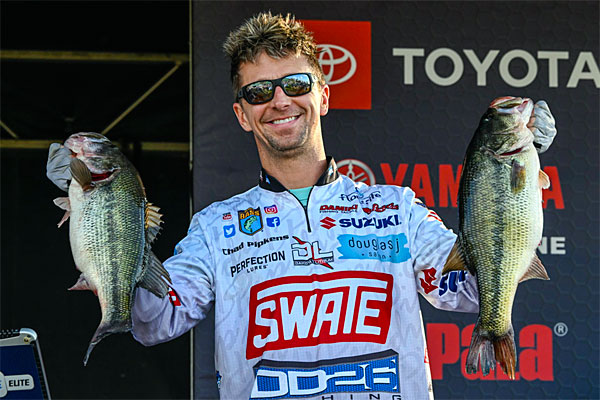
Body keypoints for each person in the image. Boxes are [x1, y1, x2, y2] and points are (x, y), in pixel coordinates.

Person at [127, 12, 555, 400]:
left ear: (324, 96)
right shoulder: (217, 228)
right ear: (242, 114)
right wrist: (117, 245)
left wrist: (510, 180)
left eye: (295, 84)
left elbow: (468, 290)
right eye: (259, 91)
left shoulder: (396, 210)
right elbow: (155, 320)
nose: (279, 101)